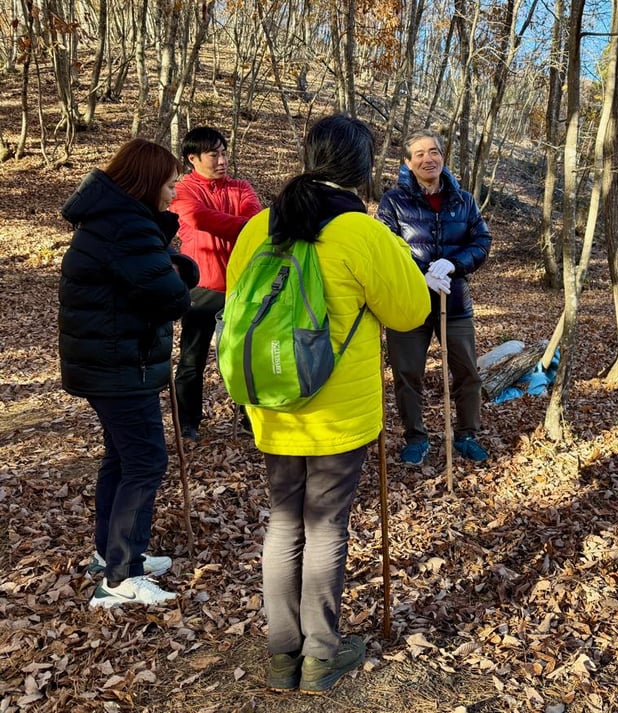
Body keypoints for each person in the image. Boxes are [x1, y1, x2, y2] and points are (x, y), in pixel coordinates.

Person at [226, 115, 428, 694]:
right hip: (337, 413)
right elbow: (411, 313)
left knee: (284, 523)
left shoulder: (261, 225)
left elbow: (235, 299)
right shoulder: (363, 233)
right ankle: (320, 655)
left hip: (270, 401)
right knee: (327, 527)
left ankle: (280, 654)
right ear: (364, 168)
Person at [60, 139, 199, 608]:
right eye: (168, 181)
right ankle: (121, 576)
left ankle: (111, 554)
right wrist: (180, 270)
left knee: (121, 459)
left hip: (108, 362)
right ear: (145, 182)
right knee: (144, 462)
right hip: (120, 366)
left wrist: (170, 261)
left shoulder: (111, 222)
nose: (173, 189)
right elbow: (170, 298)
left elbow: (140, 277)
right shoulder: (127, 227)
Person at [376, 129, 493, 466]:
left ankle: (467, 434)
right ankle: (415, 436)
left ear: (443, 156)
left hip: (454, 303)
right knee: (407, 373)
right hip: (409, 304)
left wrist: (454, 264)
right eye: (420, 154)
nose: (428, 159)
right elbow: (385, 248)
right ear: (408, 162)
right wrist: (420, 274)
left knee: (467, 372)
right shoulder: (393, 202)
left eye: (434, 152)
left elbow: (481, 241)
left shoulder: (464, 200)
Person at [171, 126, 262, 441]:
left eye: (224, 152)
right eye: (214, 154)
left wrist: (246, 227)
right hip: (200, 288)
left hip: (241, 289)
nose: (222, 160)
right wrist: (245, 227)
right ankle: (188, 423)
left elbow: (256, 224)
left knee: (244, 357)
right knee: (191, 359)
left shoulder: (240, 187)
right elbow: (196, 218)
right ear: (193, 158)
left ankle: (252, 419)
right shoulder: (184, 189)